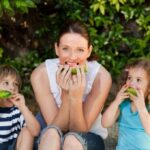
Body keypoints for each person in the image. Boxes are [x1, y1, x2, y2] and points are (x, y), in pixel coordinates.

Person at [31, 20, 112, 150]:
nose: (72, 57)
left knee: (71, 140)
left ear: (89, 51)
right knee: (51, 133)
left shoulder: (101, 77)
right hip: (50, 138)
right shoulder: (41, 74)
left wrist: (76, 96)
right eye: (65, 49)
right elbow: (56, 128)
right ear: (57, 49)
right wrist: (65, 94)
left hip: (88, 137)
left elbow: (80, 130)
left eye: (80, 50)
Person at [102, 59, 150, 150]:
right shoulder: (123, 105)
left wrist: (141, 107)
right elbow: (105, 123)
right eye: (129, 78)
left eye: (138, 80)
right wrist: (116, 102)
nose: (132, 83)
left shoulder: (147, 108)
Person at [0, 65, 40, 150]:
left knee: (27, 131)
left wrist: (23, 107)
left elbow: (36, 132)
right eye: (6, 83)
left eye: (16, 84)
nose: (12, 88)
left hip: (11, 147)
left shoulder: (17, 111)